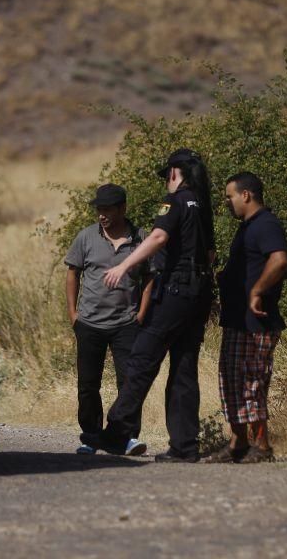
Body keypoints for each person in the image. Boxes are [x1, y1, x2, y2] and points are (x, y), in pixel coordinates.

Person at [81, 148, 216, 463]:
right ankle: (185, 447)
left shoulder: (177, 201)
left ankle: (117, 433)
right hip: (199, 292)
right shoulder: (203, 205)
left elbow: (157, 237)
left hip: (176, 290)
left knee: (141, 360)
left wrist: (123, 266)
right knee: (184, 369)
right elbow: (209, 255)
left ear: (173, 172)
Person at [205, 171, 287, 464]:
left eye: (230, 197)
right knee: (231, 381)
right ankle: (238, 443)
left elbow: (279, 260)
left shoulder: (266, 224)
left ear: (246, 195)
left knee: (252, 382)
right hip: (236, 320)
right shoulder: (247, 227)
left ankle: (262, 446)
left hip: (257, 323)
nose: (227, 203)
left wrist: (257, 291)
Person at [65, 183, 153, 456]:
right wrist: (73, 314)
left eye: (107, 210)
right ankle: (90, 436)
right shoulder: (86, 237)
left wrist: (141, 314)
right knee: (88, 384)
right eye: (99, 210)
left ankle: (126, 436)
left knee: (129, 382)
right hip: (89, 322)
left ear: (122, 209)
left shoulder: (141, 238)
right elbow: (72, 273)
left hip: (127, 323)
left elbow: (151, 277)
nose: (102, 215)